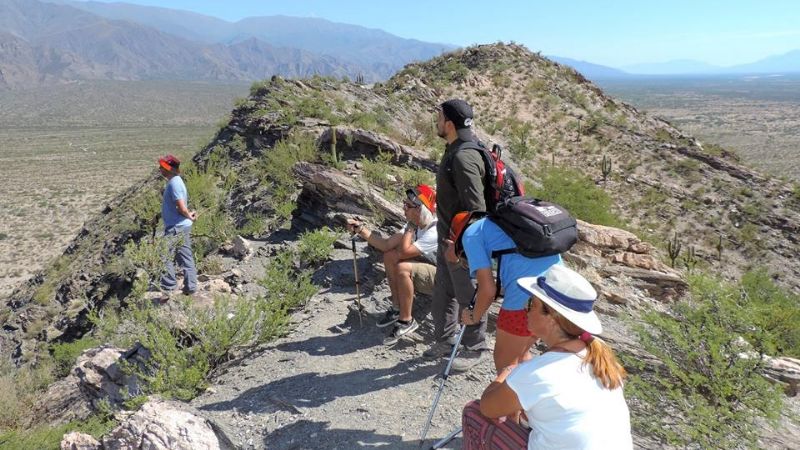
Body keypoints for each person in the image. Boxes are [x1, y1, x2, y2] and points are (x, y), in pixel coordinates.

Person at [462, 264, 632, 450]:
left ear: (551, 319)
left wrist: (509, 370)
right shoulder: (598, 351)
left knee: (473, 413)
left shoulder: (538, 372)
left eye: (531, 305)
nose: (525, 310)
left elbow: (488, 407)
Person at [447, 211, 561, 373]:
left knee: (506, 364)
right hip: (557, 289)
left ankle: (507, 398)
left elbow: (487, 290)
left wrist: (473, 317)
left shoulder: (470, 236)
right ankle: (529, 395)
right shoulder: (499, 224)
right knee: (521, 356)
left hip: (525, 301)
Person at [425, 98, 490, 372]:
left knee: (467, 293)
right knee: (444, 290)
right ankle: (445, 338)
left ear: (449, 124)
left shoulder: (463, 156)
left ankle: (475, 348)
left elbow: (476, 208)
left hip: (460, 243)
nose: (436, 122)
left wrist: (461, 248)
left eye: (439, 118)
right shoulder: (455, 149)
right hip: (447, 238)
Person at [347, 185, 438, 345]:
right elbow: (386, 244)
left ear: (419, 209)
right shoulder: (415, 223)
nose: (403, 209)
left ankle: (406, 320)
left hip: (443, 279)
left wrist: (410, 227)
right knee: (389, 256)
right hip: (428, 266)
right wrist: (361, 230)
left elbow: (403, 252)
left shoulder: (434, 230)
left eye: (407, 206)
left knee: (403, 267)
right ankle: (397, 308)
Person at [158, 154, 198, 296]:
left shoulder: (174, 182)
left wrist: (189, 216)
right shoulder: (175, 181)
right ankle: (191, 287)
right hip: (181, 225)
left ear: (169, 169)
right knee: (185, 256)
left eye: (162, 167)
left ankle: (168, 287)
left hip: (177, 226)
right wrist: (189, 216)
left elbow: (181, 206)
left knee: (163, 255)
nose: (160, 169)